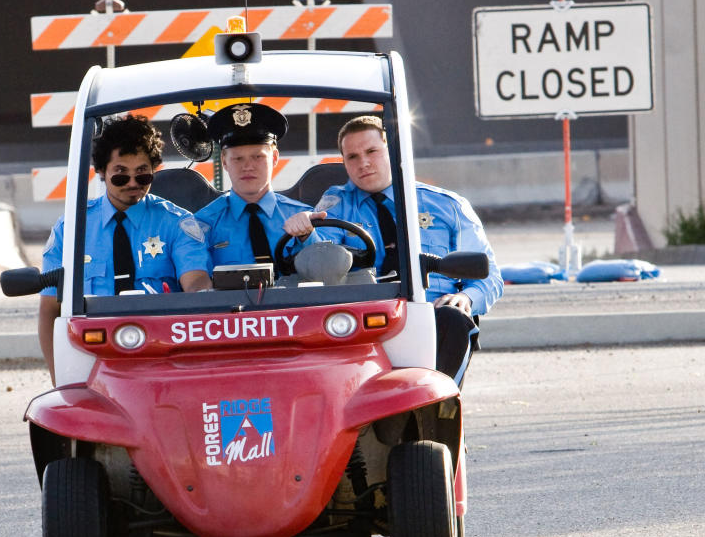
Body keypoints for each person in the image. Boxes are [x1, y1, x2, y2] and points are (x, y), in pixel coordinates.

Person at [283, 115, 503, 385]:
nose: (363, 163)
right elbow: (321, 264)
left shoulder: (448, 206)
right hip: (365, 322)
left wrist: (467, 298)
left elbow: (489, 277)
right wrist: (306, 233)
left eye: (371, 151)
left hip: (432, 315)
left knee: (454, 318)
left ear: (392, 151)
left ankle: (436, 405)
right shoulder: (335, 205)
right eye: (352, 157)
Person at [39, 115, 212, 380]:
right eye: (120, 175)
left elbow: (197, 284)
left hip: (164, 359)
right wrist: (60, 380)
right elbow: (50, 310)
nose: (132, 183)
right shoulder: (71, 229)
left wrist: (202, 293)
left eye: (142, 175)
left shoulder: (178, 223)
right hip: (91, 355)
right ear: (101, 172)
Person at [194, 103, 318, 274]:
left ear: (274, 157)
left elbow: (326, 276)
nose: (247, 166)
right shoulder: (203, 224)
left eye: (258, 156)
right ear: (224, 161)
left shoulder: (303, 217)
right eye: (237, 158)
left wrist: (307, 236)